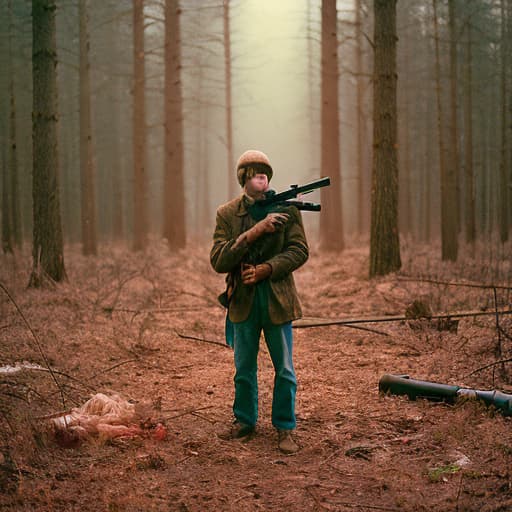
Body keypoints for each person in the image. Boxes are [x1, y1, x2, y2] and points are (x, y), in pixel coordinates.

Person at [210, 149, 309, 454]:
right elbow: (218, 259)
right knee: (243, 367)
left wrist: (267, 269)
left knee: (284, 369)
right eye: (254, 171)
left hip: (278, 299)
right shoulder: (227, 214)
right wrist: (253, 232)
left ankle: (285, 427)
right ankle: (244, 422)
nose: (262, 176)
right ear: (243, 178)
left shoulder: (288, 209)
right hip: (243, 301)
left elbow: (299, 251)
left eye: (265, 171)